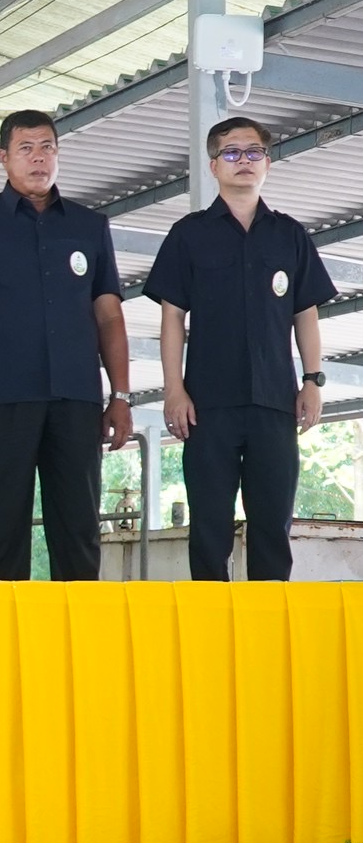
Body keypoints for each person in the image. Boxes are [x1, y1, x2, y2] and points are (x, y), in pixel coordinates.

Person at [0, 109, 132, 581]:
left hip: (77, 398)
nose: (38, 158)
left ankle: (80, 643)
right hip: (1, 399)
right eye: (26, 148)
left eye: (47, 147)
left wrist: (121, 396)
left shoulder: (90, 226)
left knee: (79, 526)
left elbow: (108, 316)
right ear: (3, 158)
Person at [145, 116, 334, 581]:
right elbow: (173, 317)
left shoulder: (289, 235)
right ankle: (210, 637)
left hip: (275, 403)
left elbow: (304, 313)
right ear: (214, 165)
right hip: (207, 404)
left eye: (253, 152)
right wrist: (174, 389)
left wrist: (312, 381)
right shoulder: (188, 234)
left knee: (273, 526)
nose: (243, 161)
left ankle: (266, 638)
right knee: (209, 529)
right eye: (232, 152)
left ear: (267, 163)